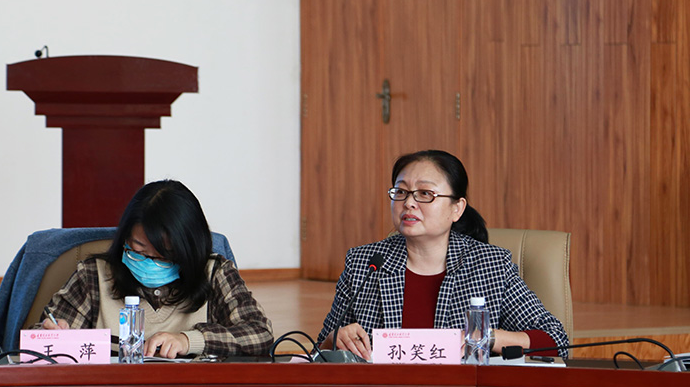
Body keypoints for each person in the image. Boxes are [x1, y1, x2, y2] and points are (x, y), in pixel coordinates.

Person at [317, 149, 569, 360]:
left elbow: (555, 340)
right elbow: (318, 350)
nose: (409, 203)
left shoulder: (490, 265)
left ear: (457, 208)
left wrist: (487, 337)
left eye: (425, 194)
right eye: (401, 192)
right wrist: (333, 339)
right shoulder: (365, 263)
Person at [39, 179, 274, 359]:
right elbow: (39, 347)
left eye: (164, 256)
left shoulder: (213, 273)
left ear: (189, 251)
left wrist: (189, 341)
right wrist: (51, 335)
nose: (149, 263)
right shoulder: (94, 275)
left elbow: (260, 334)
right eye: (138, 250)